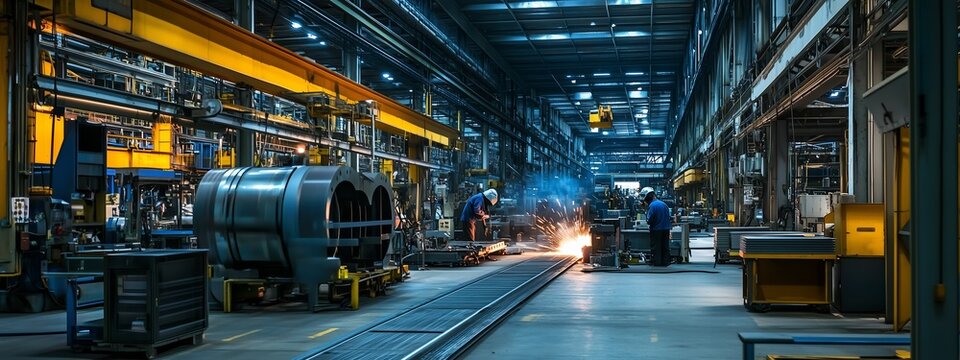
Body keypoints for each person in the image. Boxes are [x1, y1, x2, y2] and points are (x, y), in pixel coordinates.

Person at [641, 187, 672, 266]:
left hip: (656, 230)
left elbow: (649, 220)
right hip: (666, 229)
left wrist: (645, 211)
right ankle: (665, 262)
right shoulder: (664, 204)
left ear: (648, 197)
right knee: (665, 246)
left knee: (656, 247)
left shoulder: (652, 206)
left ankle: (657, 263)